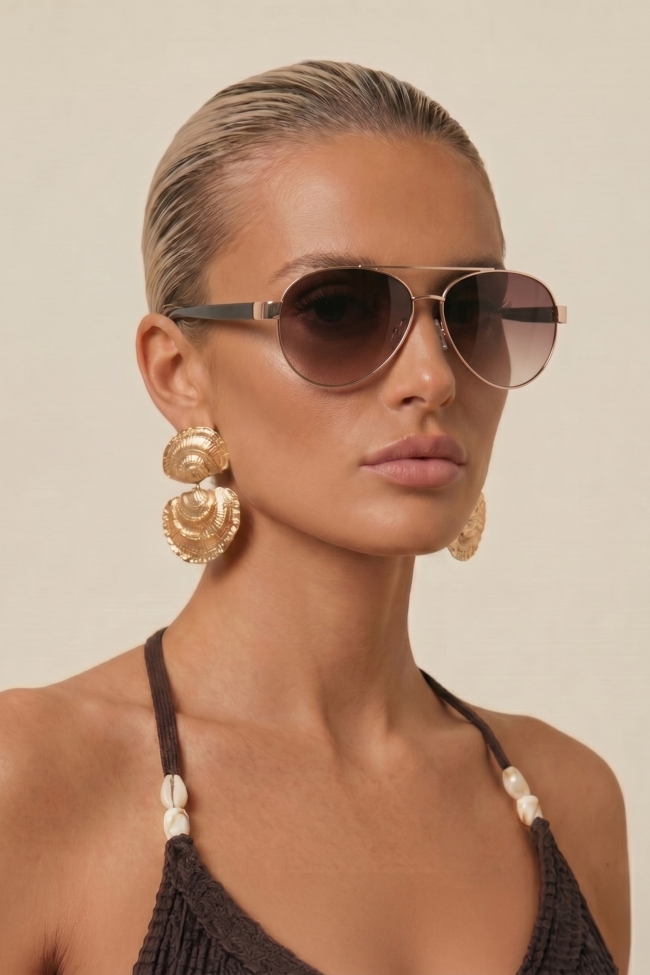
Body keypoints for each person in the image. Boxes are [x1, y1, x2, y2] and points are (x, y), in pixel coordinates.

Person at [0, 61, 630, 975]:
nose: (434, 378)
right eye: (337, 310)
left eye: (471, 312)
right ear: (179, 372)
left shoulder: (570, 801)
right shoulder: (35, 784)